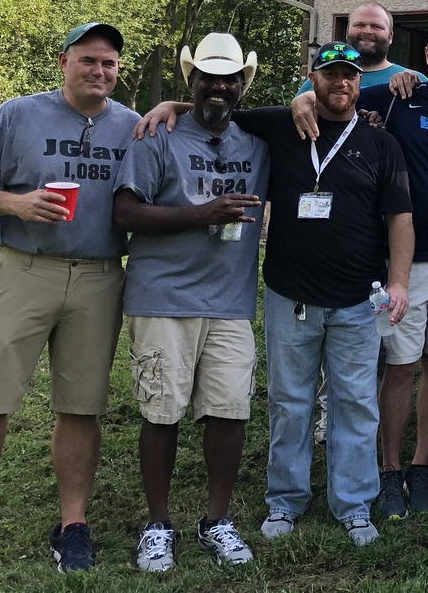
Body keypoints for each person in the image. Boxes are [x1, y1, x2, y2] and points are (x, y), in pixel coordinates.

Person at [164, 41, 413, 548]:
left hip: (357, 298)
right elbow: (218, 106)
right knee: (289, 401)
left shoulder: (380, 143)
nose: (341, 83)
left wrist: (400, 282)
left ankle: (354, 504)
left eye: (349, 76)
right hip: (290, 295)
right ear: (312, 79)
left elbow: (400, 218)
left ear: (359, 83)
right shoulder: (282, 126)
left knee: (355, 403)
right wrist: (172, 105)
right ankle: (285, 500)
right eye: (330, 74)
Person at [0, 23, 140, 571]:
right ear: (63, 61)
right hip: (23, 268)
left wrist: (172, 104)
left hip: (99, 274)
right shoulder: (17, 114)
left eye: (109, 64)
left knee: (81, 406)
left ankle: (73, 524)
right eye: (88, 60)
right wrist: (18, 204)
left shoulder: (133, 125)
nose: (99, 71)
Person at [300, 21, 428, 520]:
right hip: (403, 259)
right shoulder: (395, 98)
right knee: (400, 366)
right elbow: (332, 99)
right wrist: (300, 100)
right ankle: (389, 469)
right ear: (426, 55)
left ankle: (421, 465)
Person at [114, 33, 268, 571]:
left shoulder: (257, 141)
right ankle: (157, 525)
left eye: (230, 79)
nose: (219, 87)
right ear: (191, 79)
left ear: (243, 84)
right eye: (208, 78)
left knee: (229, 411)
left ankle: (216, 520)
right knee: (162, 412)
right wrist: (202, 214)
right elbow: (126, 213)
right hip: (163, 296)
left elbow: (312, 112)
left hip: (231, 301)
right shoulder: (157, 136)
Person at [297, 1, 425, 94]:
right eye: (359, 25)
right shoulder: (317, 81)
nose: (367, 31)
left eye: (376, 26)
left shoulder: (415, 81)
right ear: (347, 32)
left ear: (390, 36)